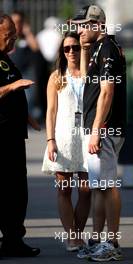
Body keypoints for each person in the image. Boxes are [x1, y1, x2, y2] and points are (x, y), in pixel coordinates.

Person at [70, 4, 126, 261]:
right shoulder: (96, 49)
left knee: (107, 184)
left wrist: (97, 130)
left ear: (97, 24)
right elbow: (84, 83)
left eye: (83, 25)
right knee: (99, 187)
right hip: (96, 127)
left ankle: (112, 242)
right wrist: (83, 49)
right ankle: (98, 239)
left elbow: (107, 91)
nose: (79, 30)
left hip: (103, 128)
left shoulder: (108, 49)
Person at [42, 31, 91, 251]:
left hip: (87, 137)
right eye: (66, 48)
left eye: (75, 47)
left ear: (82, 49)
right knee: (64, 190)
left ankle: (78, 234)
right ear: (62, 52)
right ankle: (72, 237)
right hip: (62, 137)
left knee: (86, 189)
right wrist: (50, 140)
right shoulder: (56, 77)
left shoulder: (91, 73)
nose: (71, 52)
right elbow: (50, 111)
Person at [0, 14, 40, 257]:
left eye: (15, 33)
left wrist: (28, 117)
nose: (14, 38)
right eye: (8, 35)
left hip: (14, 137)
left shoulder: (5, 59)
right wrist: (13, 87)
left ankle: (14, 240)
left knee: (16, 191)